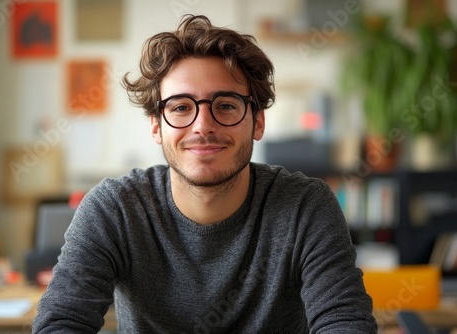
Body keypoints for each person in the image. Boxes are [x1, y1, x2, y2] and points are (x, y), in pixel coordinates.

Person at [33, 15, 378, 333]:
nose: (203, 126)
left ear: (257, 122)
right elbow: (61, 323)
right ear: (156, 126)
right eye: (181, 107)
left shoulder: (306, 207)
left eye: (226, 105)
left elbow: (346, 324)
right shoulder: (115, 210)